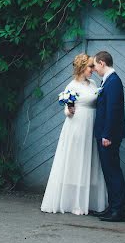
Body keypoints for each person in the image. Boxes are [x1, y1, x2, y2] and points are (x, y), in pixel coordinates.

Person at [41, 54, 108, 215]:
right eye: (90, 67)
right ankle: (74, 202)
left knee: (90, 160)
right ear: (81, 68)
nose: (92, 70)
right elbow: (67, 108)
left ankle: (88, 200)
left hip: (92, 125)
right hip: (78, 126)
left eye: (93, 66)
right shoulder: (72, 85)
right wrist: (68, 110)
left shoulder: (92, 83)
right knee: (77, 161)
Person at [93, 50, 125, 222]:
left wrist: (107, 134)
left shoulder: (113, 81)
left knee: (113, 171)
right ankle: (112, 207)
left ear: (102, 63)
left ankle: (117, 211)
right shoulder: (107, 80)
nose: (94, 69)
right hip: (106, 134)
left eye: (95, 65)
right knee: (108, 171)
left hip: (109, 136)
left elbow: (113, 110)